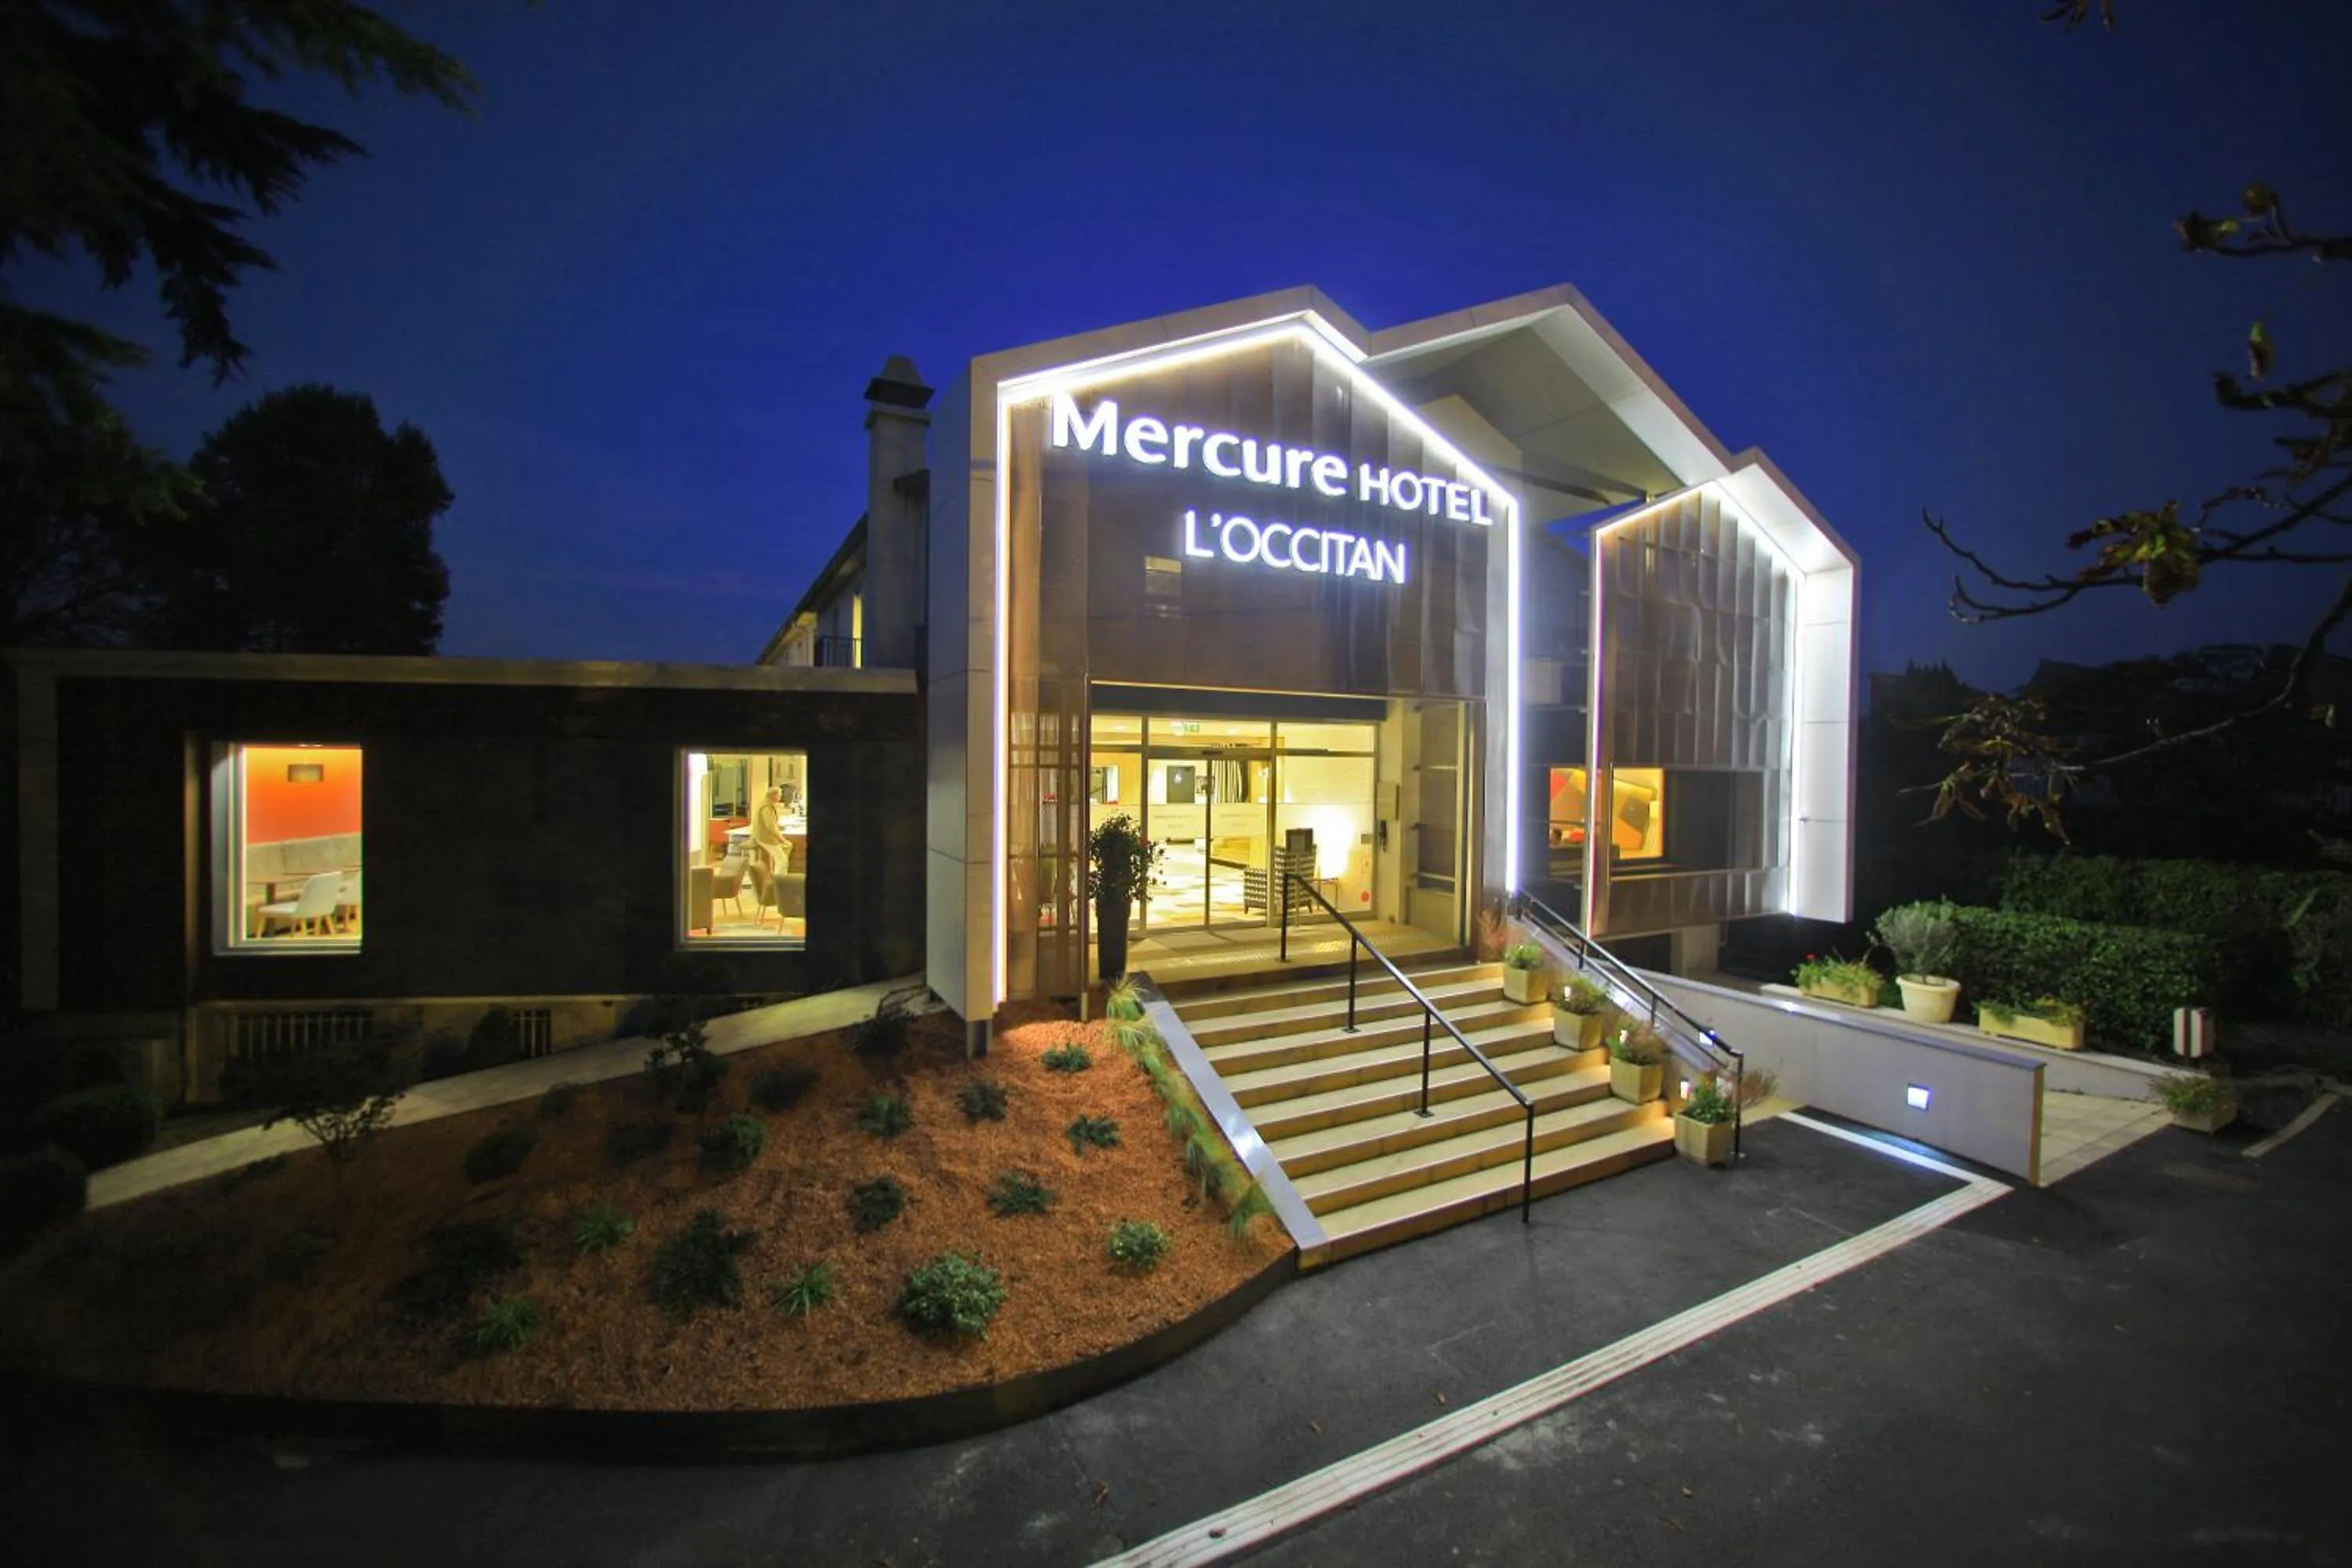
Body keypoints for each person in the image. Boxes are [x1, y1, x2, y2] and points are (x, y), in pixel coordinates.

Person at [752, 785, 787, 871]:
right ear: (774, 795)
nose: (780, 797)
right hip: (765, 838)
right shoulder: (766, 807)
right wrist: (782, 839)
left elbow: (769, 823)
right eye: (779, 795)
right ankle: (780, 882)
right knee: (782, 861)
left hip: (759, 836)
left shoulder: (764, 803)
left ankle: (776, 880)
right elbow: (770, 826)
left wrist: (778, 827)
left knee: (776, 859)